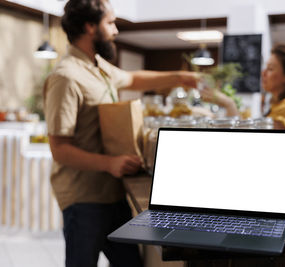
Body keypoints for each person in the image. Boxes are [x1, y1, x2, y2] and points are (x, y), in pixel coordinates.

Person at [43, 1, 199, 266]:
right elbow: (59, 148)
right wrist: (110, 163)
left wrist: (178, 77)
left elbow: (132, 79)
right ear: (91, 27)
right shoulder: (66, 77)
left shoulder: (98, 67)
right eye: (110, 22)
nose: (115, 31)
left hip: (113, 192)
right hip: (84, 199)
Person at [201, 43, 285, 141]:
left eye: (270, 69)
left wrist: (229, 104)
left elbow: (260, 144)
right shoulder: (281, 105)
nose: (263, 73)